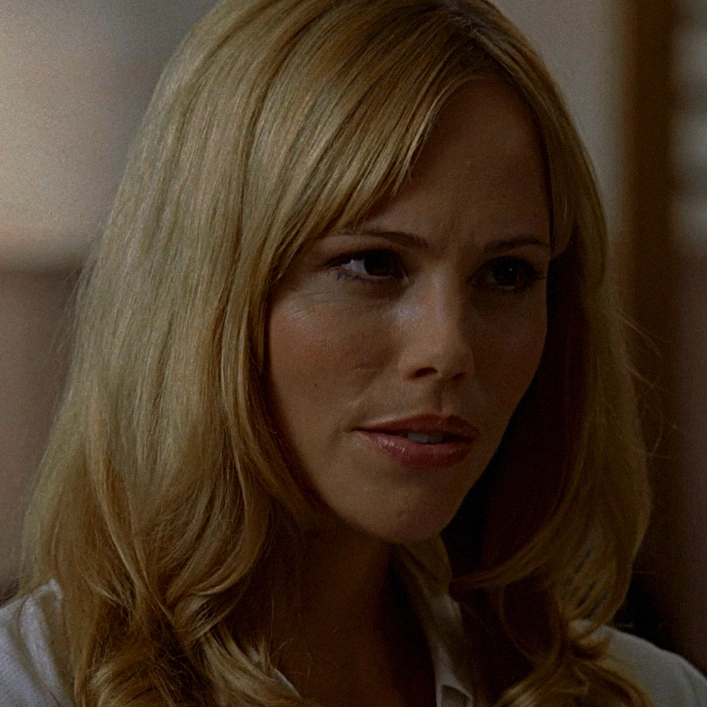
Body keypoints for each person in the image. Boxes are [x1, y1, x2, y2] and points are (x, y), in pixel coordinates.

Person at [1, 0, 706, 705]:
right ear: (212, 293)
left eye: (505, 273)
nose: (448, 348)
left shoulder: (650, 694)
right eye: (373, 264)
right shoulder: (32, 685)